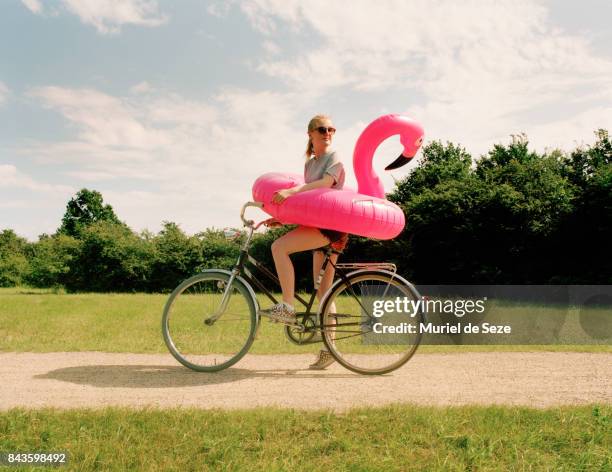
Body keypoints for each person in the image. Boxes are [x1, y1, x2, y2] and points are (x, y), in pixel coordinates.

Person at [259, 114, 348, 370]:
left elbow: (325, 185)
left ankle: (287, 306)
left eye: (331, 128)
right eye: (322, 129)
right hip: (316, 225)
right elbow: (311, 205)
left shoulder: (334, 157)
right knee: (324, 294)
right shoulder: (309, 165)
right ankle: (330, 348)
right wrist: (283, 220)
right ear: (310, 133)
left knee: (279, 247)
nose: (328, 132)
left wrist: (290, 191)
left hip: (331, 227)